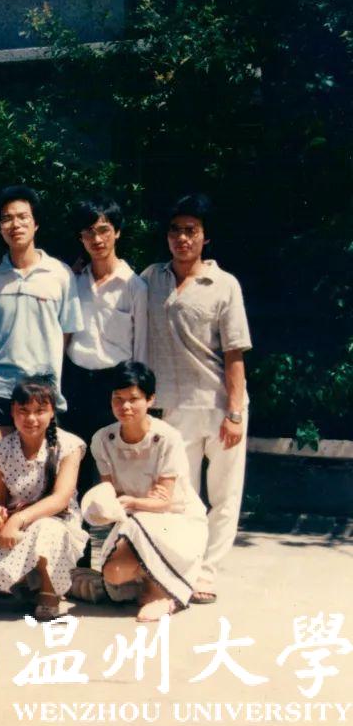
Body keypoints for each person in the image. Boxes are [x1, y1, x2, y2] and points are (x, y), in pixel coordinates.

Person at [141, 193, 251, 605]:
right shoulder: (151, 279)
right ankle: (182, 566)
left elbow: (235, 353)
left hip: (220, 405)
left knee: (224, 495)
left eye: (191, 230)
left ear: (205, 237)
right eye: (175, 230)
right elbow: (111, 282)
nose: (182, 238)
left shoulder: (224, 284)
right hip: (173, 407)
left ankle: (208, 571)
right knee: (180, 497)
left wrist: (234, 412)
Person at [89, 361, 208, 622]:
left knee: (142, 524)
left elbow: (164, 502)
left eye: (133, 399)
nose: (125, 406)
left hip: (176, 521)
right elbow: (111, 494)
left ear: (150, 399)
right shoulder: (102, 440)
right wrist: (117, 505)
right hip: (134, 520)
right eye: (118, 399)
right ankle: (155, 577)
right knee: (113, 574)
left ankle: (167, 593)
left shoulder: (168, 438)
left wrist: (131, 502)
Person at [0, 186, 83, 440]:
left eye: (23, 217)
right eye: (7, 218)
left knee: (41, 462)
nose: (15, 224)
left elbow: (66, 332)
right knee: (0, 460)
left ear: (36, 224)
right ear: (0, 228)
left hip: (42, 389)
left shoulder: (60, 273)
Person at [0, 376, 87, 622]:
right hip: (17, 528)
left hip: (58, 524)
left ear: (52, 412)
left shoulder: (69, 445)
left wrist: (18, 519)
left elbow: (60, 499)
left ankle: (49, 593)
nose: (31, 418)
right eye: (23, 411)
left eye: (40, 411)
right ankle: (29, 584)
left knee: (46, 528)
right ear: (12, 411)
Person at [62, 196, 148, 493]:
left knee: (114, 463)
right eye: (89, 232)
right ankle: (74, 523)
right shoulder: (73, 280)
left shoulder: (135, 286)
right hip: (76, 380)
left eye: (103, 230)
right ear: (81, 238)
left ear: (117, 232)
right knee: (75, 458)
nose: (97, 239)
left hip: (115, 382)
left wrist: (138, 391)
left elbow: (142, 344)